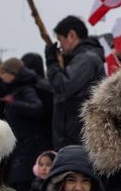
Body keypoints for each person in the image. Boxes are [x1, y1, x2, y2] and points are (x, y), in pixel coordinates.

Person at [45, 15, 105, 148]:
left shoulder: (86, 59)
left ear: (71, 35)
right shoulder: (81, 59)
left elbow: (62, 86)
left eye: (60, 41)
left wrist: (52, 63)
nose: (60, 47)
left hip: (78, 140)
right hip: (75, 137)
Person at [0, 57, 48, 191]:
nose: (1, 76)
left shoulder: (25, 89)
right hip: (23, 145)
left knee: (23, 188)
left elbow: (36, 107)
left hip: (27, 146)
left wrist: (13, 103)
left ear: (11, 73)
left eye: (4, 73)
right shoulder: (20, 88)